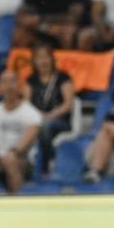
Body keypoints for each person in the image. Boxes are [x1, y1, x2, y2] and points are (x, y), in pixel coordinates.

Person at [23, 43, 74, 172]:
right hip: (36, 119)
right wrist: (39, 116)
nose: (43, 61)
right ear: (34, 61)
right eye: (39, 58)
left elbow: (68, 104)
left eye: (46, 57)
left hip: (59, 120)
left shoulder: (63, 77)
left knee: (46, 126)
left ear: (52, 59)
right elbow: (26, 104)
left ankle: (47, 161)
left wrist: (50, 115)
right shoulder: (30, 80)